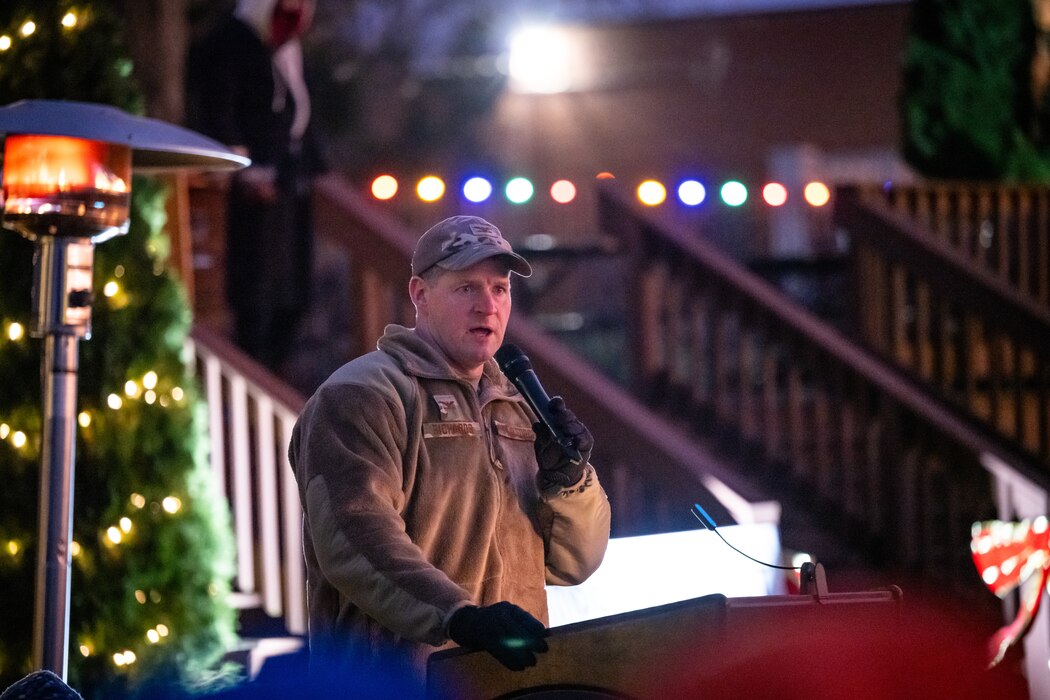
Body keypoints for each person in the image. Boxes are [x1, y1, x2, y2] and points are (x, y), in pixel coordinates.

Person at [288, 215, 611, 682]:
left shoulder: (519, 407)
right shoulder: (361, 394)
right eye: (467, 288)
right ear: (420, 294)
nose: (488, 305)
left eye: (500, 289)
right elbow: (354, 537)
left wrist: (572, 481)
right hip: (392, 687)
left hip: (510, 683)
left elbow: (573, 564)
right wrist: (457, 616)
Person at [186, 0, 323, 370]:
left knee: (292, 294)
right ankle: (255, 372)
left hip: (289, 183)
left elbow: (300, 108)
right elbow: (220, 110)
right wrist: (244, 169)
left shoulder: (288, 48)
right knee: (255, 295)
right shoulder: (232, 43)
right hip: (251, 190)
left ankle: (277, 369)